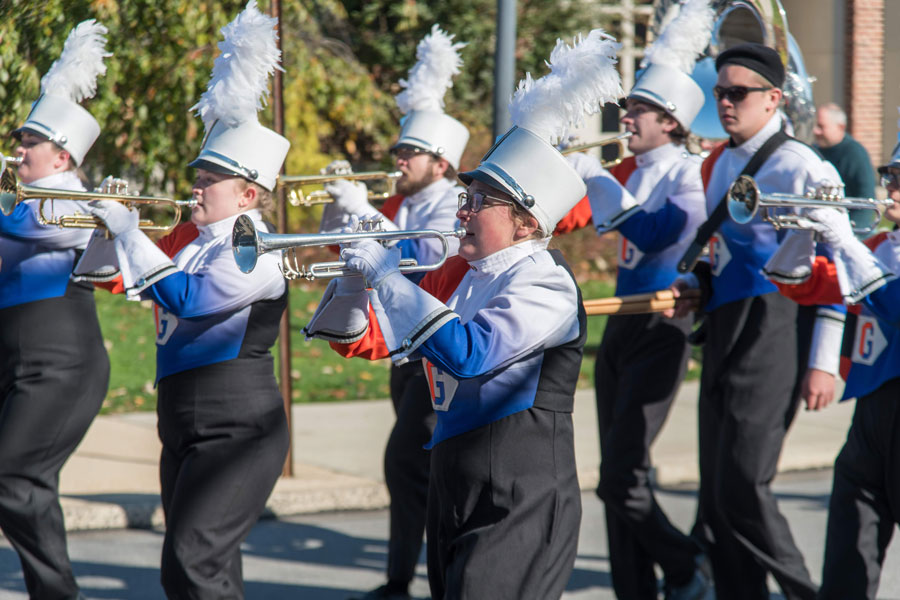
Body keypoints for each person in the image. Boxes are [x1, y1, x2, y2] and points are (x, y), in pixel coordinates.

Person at [305, 29, 622, 599]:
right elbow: (367, 339)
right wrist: (355, 282)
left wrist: (387, 275)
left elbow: (470, 354)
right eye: (465, 198)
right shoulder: (462, 273)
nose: (464, 210)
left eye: (480, 202)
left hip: (519, 497)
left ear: (526, 223)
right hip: (452, 483)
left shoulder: (545, 283)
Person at [76, 4, 290, 597]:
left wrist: (130, 233)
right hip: (183, 417)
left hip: (239, 423)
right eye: (196, 175)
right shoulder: (190, 240)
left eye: (207, 179)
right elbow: (97, 277)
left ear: (248, 193)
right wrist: (104, 231)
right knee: (201, 566)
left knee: (193, 558)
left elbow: (189, 299)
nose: (193, 185)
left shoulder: (257, 248)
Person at [669, 42, 844, 600]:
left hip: (777, 325)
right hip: (726, 327)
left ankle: (803, 593)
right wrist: (697, 283)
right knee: (717, 493)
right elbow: (723, 250)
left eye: (738, 93)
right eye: (720, 92)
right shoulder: (717, 161)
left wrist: (822, 362)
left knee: (745, 482)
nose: (725, 102)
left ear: (773, 99)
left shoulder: (802, 165)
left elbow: (838, 262)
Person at [555, 2, 714, 597]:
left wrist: (598, 178)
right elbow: (577, 218)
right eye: (627, 107)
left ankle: (684, 563)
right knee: (617, 476)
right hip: (621, 324)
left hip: (660, 325)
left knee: (622, 476)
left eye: (639, 109)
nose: (626, 117)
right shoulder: (632, 168)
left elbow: (656, 234)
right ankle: (634, 588)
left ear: (670, 121)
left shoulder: (687, 174)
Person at [319, 25, 470, 600]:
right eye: (400, 149)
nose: (399, 158)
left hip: (432, 342)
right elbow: (347, 251)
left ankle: (417, 579)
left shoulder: (452, 205)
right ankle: (404, 577)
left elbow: (424, 263)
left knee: (409, 461)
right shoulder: (402, 200)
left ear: (442, 162)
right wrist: (343, 211)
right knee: (411, 468)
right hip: (400, 346)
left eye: (412, 152)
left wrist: (368, 215)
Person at [0, 20, 111, 600]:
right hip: (17, 356)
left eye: (29, 142)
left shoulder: (69, 198)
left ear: (62, 154)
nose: (18, 149)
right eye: (19, 138)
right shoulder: (21, 196)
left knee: (15, 480)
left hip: (60, 364)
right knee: (21, 483)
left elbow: (27, 225)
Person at [761, 147, 900, 599]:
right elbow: (797, 283)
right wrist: (807, 226)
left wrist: (844, 241)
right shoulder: (879, 246)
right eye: (888, 175)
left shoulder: (867, 250)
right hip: (871, 413)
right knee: (846, 556)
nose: (890, 187)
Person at [813, 102, 876, 198]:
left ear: (840, 127)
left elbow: (866, 197)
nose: (816, 131)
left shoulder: (855, 153)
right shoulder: (813, 151)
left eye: (821, 126)